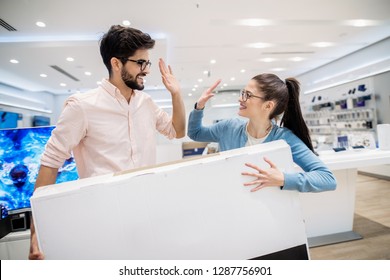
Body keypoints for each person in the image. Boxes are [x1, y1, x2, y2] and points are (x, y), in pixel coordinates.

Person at [29, 25, 186, 260]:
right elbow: (50, 164)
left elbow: (177, 131)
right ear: (116, 63)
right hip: (101, 219)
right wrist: (37, 232)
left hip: (146, 213)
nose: (146, 70)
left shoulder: (146, 103)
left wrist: (176, 93)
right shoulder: (82, 106)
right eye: (140, 63)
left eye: (147, 63)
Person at [188, 74, 336, 193]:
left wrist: (284, 179)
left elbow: (327, 179)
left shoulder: (285, 139)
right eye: (242, 93)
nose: (241, 99)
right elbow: (195, 133)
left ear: (268, 105)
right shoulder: (229, 127)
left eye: (248, 95)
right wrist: (199, 106)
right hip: (230, 204)